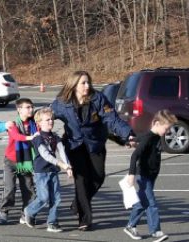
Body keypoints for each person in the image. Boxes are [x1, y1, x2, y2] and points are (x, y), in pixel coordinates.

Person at [50, 70, 135, 231]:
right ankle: (85, 219)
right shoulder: (62, 102)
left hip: (95, 143)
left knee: (98, 177)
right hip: (74, 145)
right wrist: (31, 124)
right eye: (83, 83)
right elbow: (46, 115)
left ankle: (77, 204)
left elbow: (113, 119)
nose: (87, 86)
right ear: (74, 85)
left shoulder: (98, 99)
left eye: (88, 82)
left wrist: (128, 134)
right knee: (81, 181)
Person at [123, 110, 176, 242]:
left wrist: (132, 141)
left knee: (142, 203)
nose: (168, 131)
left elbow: (139, 138)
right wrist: (131, 174)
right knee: (151, 204)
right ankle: (156, 231)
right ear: (157, 123)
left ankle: (130, 226)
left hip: (151, 176)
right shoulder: (149, 137)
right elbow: (135, 155)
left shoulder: (155, 136)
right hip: (144, 175)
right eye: (166, 128)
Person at [23, 107, 73, 232]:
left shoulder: (55, 137)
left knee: (56, 198)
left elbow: (62, 151)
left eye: (51, 119)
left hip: (53, 171)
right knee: (44, 198)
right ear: (39, 123)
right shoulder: (38, 138)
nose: (50, 121)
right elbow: (45, 154)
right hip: (41, 171)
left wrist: (68, 166)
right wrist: (61, 164)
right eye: (47, 120)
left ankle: (52, 222)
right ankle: (29, 211)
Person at [0, 98, 37, 224]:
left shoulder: (34, 124)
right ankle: (4, 211)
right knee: (10, 188)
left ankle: (26, 212)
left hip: (25, 160)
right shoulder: (12, 124)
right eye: (27, 107)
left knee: (28, 188)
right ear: (19, 110)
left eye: (31, 107)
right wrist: (31, 137)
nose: (31, 109)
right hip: (11, 161)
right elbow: (16, 136)